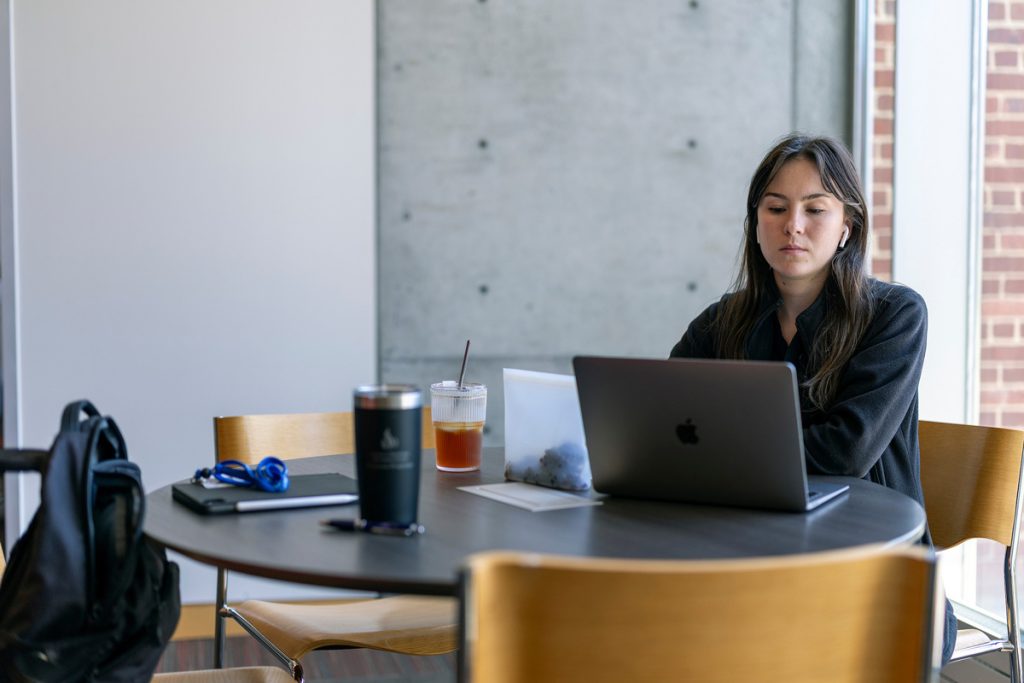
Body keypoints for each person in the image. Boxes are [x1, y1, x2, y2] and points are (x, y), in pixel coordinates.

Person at [670, 133, 956, 665]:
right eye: (775, 208)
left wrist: (720, 453)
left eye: (815, 209)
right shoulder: (720, 322)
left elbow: (844, 454)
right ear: (756, 225)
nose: (792, 225)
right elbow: (664, 424)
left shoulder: (894, 315)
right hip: (749, 557)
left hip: (880, 572)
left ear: (847, 225)